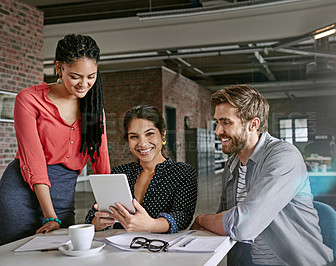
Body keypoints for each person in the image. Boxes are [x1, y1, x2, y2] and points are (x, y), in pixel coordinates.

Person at [191, 85, 333, 265]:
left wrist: (202, 219)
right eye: (217, 122)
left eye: (226, 122)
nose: (218, 131)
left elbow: (241, 225)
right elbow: (224, 219)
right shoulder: (231, 164)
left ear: (253, 124)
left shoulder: (284, 157)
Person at [0, 34, 110, 245]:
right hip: (21, 192)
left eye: (91, 76)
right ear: (59, 68)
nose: (84, 84)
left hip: (63, 193)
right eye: (76, 76)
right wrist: (50, 215)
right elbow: (33, 160)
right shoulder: (29, 100)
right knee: (15, 254)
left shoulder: (94, 108)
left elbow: (101, 160)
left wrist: (108, 204)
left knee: (61, 253)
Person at [85, 105, 197, 233]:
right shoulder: (119, 173)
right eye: (134, 136)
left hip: (160, 248)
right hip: (118, 249)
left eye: (149, 134)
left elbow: (182, 216)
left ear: (163, 134)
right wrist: (98, 222)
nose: (142, 143)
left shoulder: (183, 172)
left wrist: (151, 225)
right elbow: (93, 216)